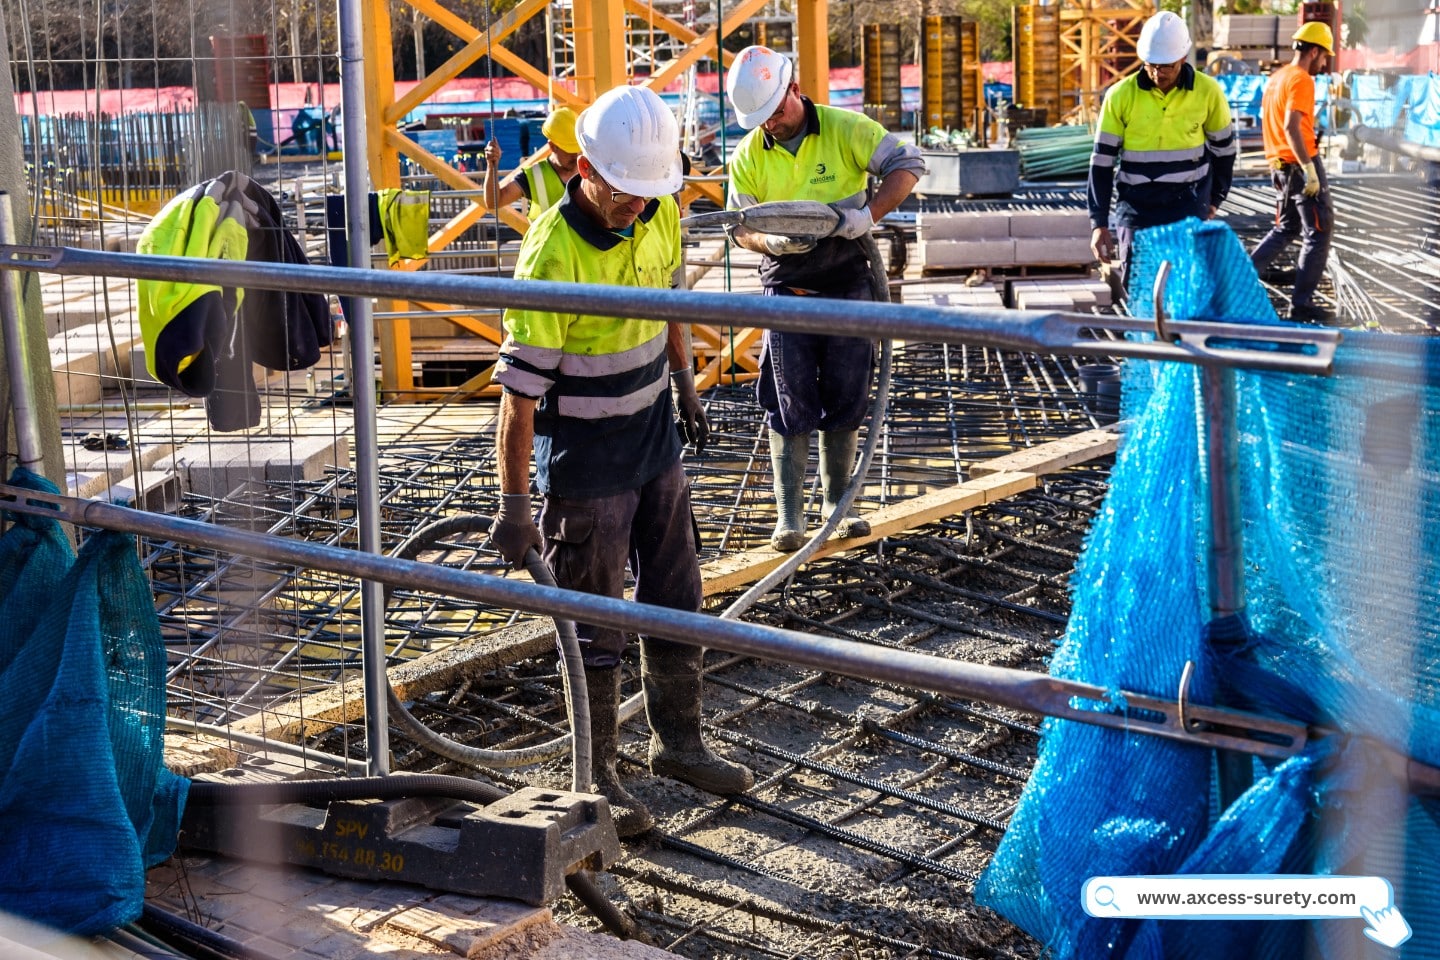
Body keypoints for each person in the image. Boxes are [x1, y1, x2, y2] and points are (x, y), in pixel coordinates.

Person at [487, 84, 751, 838]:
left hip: (653, 438)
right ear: (584, 168)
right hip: (585, 462)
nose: (640, 204)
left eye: (649, 191)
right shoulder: (551, 251)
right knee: (596, 622)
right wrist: (513, 505)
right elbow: (519, 397)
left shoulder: (660, 207)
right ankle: (598, 775)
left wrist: (686, 385)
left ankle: (680, 744)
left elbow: (669, 303)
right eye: (627, 191)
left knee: (676, 591)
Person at [724, 45, 926, 552]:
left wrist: (869, 215)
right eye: (762, 118)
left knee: (847, 389)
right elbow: (738, 228)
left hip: (846, 279)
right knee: (789, 397)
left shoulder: (845, 128)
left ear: (794, 89)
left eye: (777, 110)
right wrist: (767, 241)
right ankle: (789, 517)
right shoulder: (748, 154)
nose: (771, 123)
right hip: (786, 284)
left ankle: (840, 503)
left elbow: (909, 163)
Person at [1087, 11, 1237, 297]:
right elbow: (1102, 164)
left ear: (1182, 57)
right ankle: (1146, 338)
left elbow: (1224, 152)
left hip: (1187, 205)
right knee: (1141, 286)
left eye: (1166, 66)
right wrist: (1099, 223)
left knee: (1185, 288)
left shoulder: (1208, 92)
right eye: (1152, 65)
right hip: (1137, 207)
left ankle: (1180, 338)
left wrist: (1215, 199)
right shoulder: (1120, 96)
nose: (1158, 73)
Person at [1249, 21, 1335, 323]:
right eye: (1324, 56)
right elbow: (1291, 126)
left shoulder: (1277, 78)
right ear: (1313, 51)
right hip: (1299, 165)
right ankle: (1301, 304)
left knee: (1287, 227)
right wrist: (1310, 170)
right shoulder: (1301, 79)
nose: (1324, 64)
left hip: (1280, 167)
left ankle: (1245, 274)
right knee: (1319, 231)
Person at [483, 107, 580, 217]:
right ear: (552, 146)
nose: (575, 156)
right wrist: (492, 167)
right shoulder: (534, 175)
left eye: (578, 148)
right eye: (569, 150)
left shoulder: (590, 171)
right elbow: (494, 202)